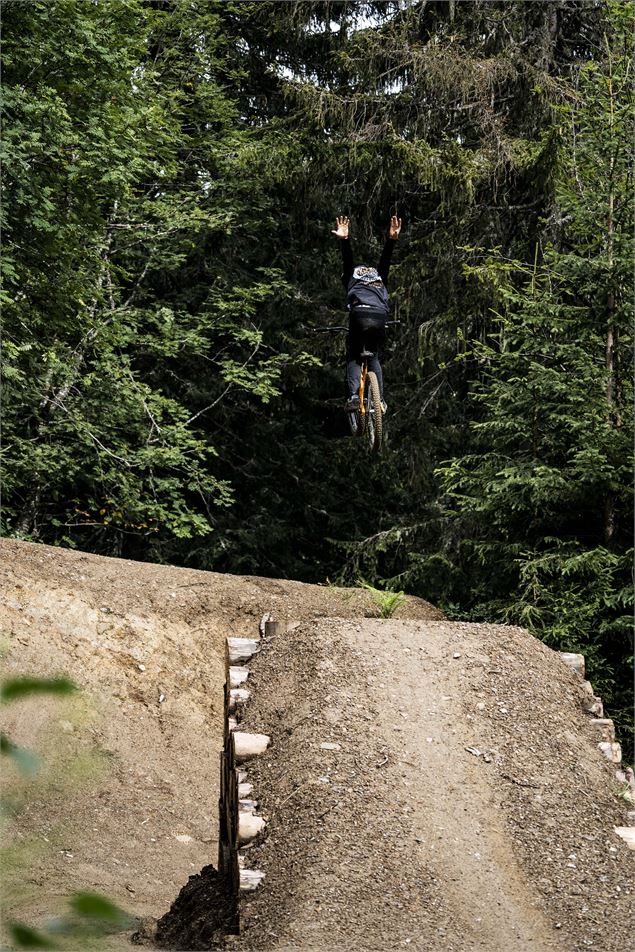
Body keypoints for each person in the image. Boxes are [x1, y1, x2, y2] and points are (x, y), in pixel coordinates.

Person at [332, 213, 401, 412]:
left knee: (354, 354)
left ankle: (354, 396)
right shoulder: (379, 276)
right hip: (380, 315)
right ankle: (379, 401)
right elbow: (385, 261)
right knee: (373, 357)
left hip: (359, 315)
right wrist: (391, 239)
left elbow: (348, 259)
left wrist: (345, 240)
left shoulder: (351, 276)